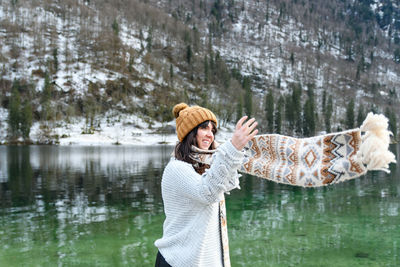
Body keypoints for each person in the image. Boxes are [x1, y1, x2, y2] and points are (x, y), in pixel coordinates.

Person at [154, 103, 258, 267]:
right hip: (178, 261)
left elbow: (228, 183)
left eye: (213, 130)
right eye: (204, 128)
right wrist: (231, 150)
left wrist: (228, 153)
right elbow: (208, 192)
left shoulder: (205, 167)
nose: (210, 135)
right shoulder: (176, 169)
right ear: (189, 132)